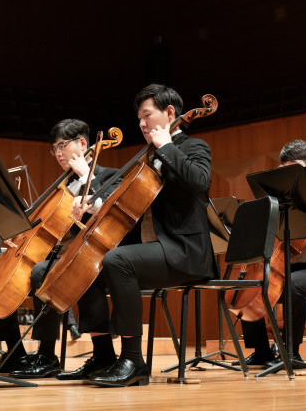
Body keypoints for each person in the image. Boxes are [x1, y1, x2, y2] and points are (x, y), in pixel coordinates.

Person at [82, 83, 217, 388]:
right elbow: (126, 203)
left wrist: (167, 146)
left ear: (169, 113)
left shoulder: (194, 147)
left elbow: (199, 181)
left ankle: (133, 361)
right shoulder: (147, 157)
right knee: (87, 269)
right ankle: (103, 355)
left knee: (117, 260)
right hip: (151, 251)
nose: (142, 124)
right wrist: (92, 206)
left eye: (147, 115)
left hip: (184, 251)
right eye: (139, 119)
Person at [0, 119, 122, 379]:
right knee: (0, 273)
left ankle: (48, 356)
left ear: (83, 144)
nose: (58, 153)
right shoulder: (62, 186)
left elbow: (111, 211)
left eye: (62, 145)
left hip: (99, 257)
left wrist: (86, 176)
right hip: (64, 256)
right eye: (54, 148)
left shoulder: (110, 174)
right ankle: (15, 354)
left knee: (41, 272)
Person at [238, 140, 306, 367]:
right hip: (286, 265)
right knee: (254, 284)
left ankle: (291, 353)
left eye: (294, 170)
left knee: (292, 284)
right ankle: (262, 351)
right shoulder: (281, 200)